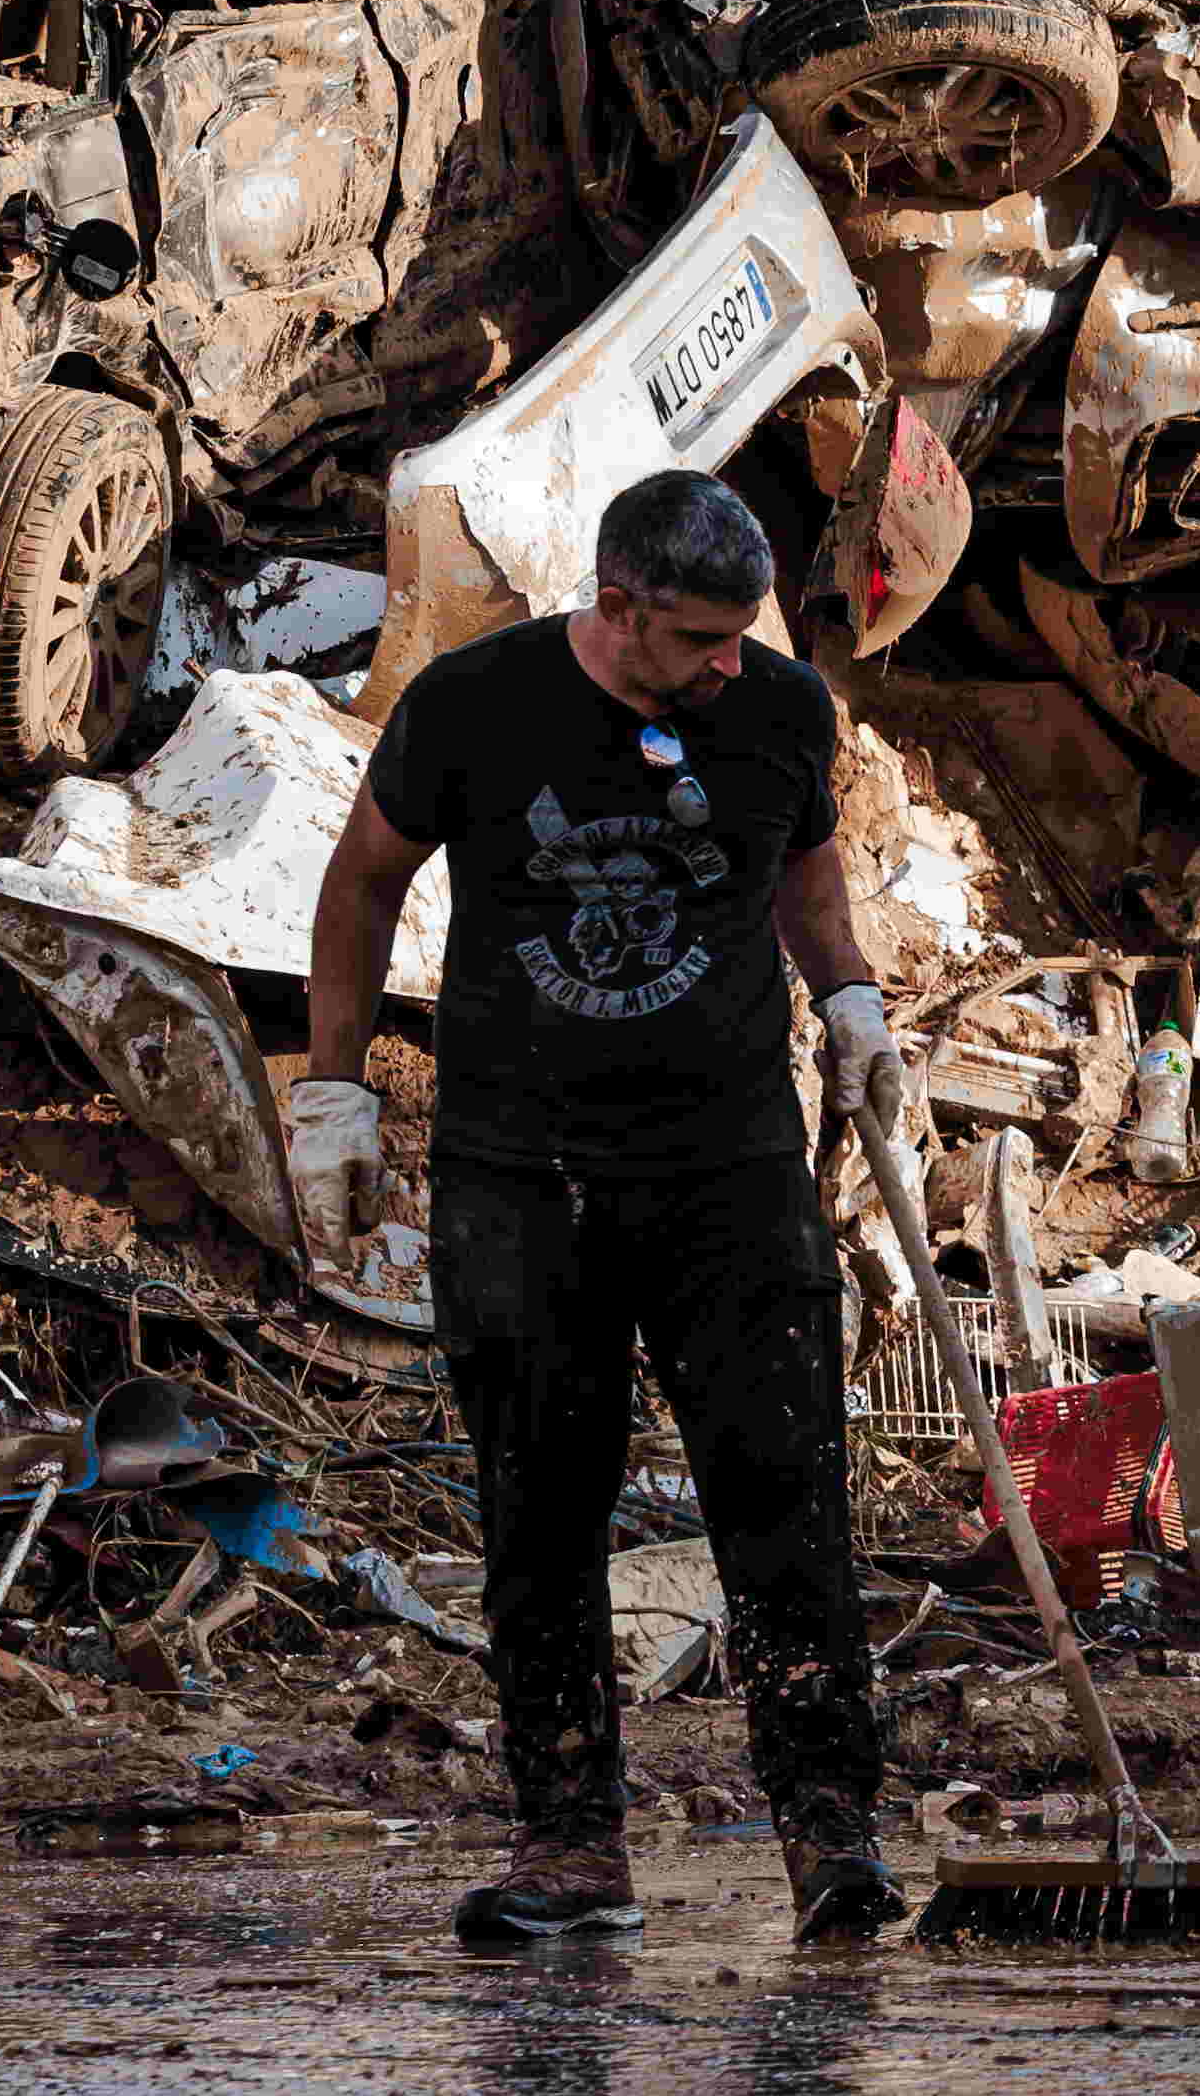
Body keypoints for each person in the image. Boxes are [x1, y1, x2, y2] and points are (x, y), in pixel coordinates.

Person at [286, 468, 922, 1948]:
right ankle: (570, 1841)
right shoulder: (473, 704)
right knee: (540, 1505)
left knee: (783, 1489)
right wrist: (333, 1089)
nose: (724, 662)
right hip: (523, 1176)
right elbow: (361, 879)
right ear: (616, 604)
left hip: (730, 1172)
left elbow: (807, 875)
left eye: (739, 633)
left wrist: (851, 998)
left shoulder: (773, 709)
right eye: (697, 635)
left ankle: (829, 1828)